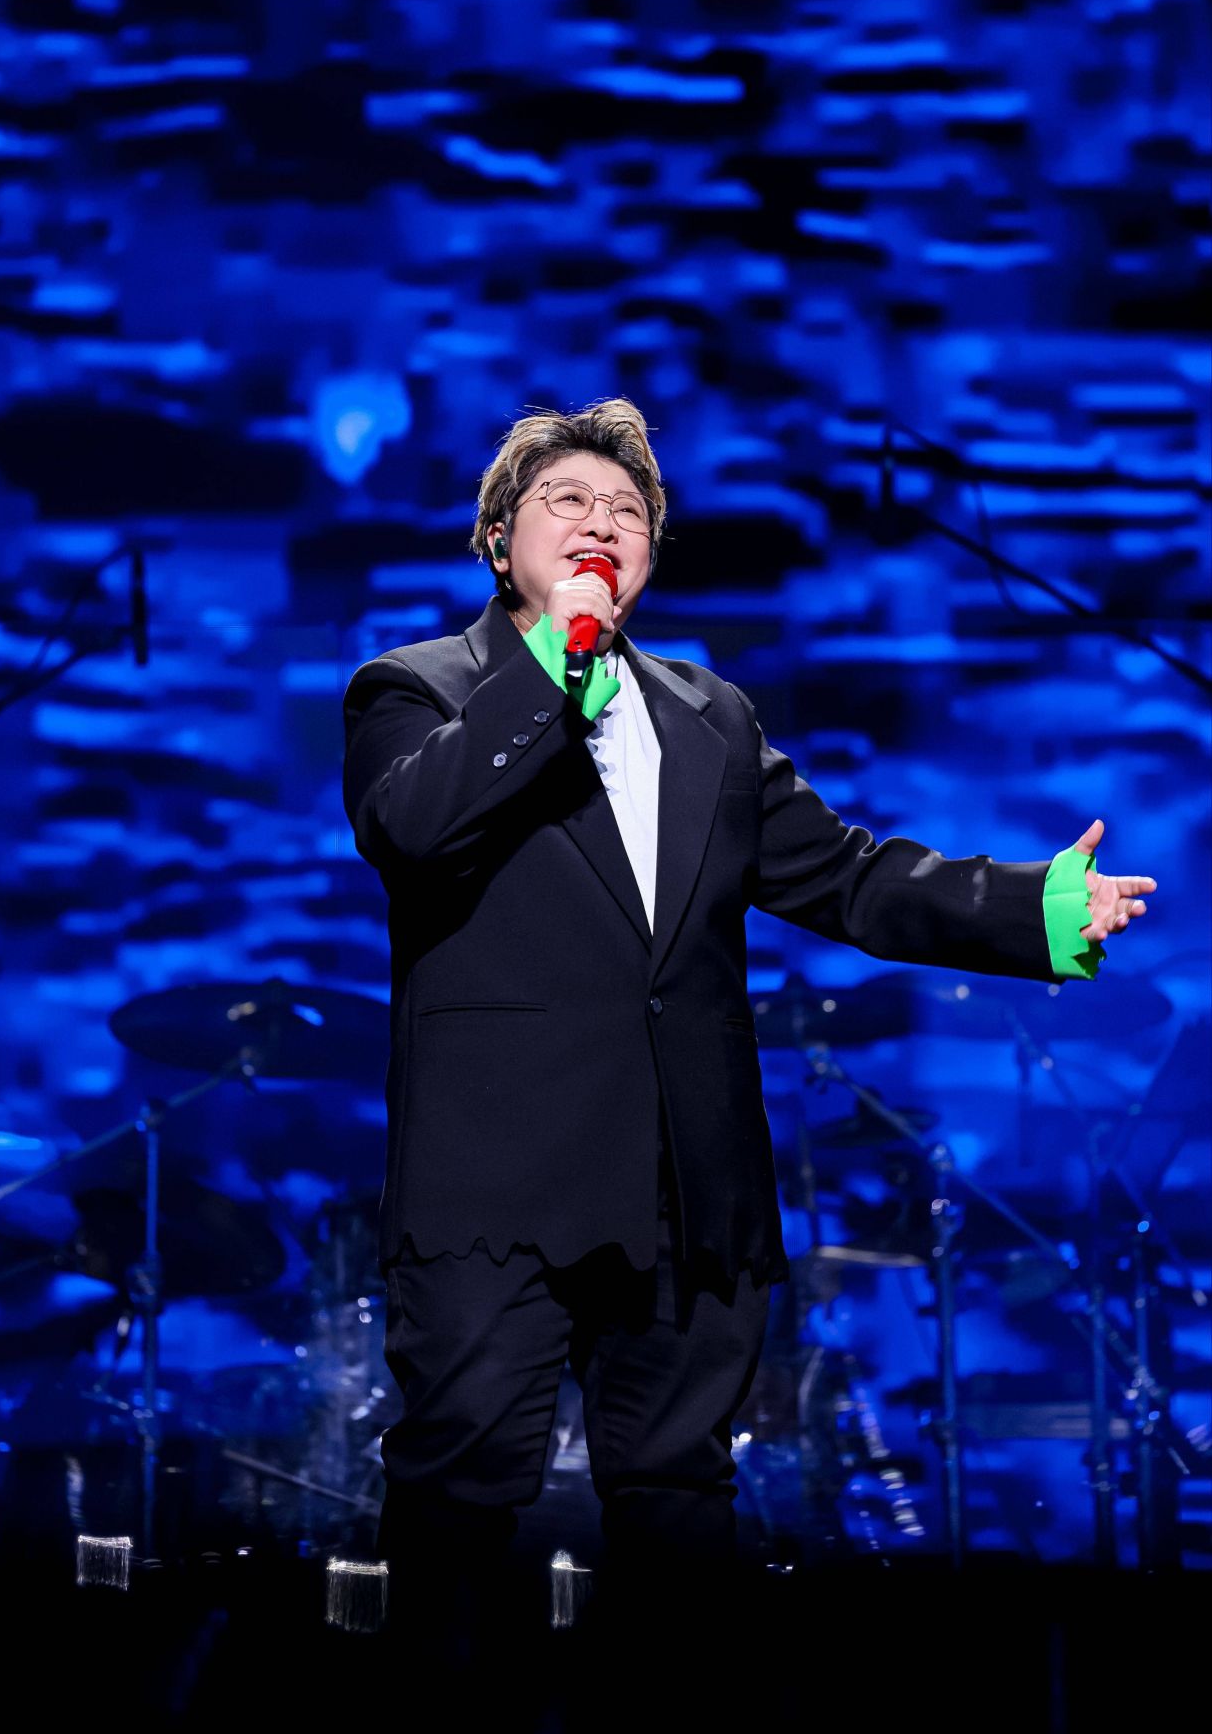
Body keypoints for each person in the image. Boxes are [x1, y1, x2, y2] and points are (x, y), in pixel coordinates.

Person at [340, 395, 1155, 1650]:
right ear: (500, 539)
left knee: (680, 1504)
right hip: (497, 1185)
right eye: (568, 501)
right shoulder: (413, 690)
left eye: (627, 512)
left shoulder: (706, 714)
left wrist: (1028, 909)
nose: (601, 522)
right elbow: (412, 827)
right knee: (459, 1496)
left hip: (689, 1182)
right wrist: (552, 661)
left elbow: (847, 875)